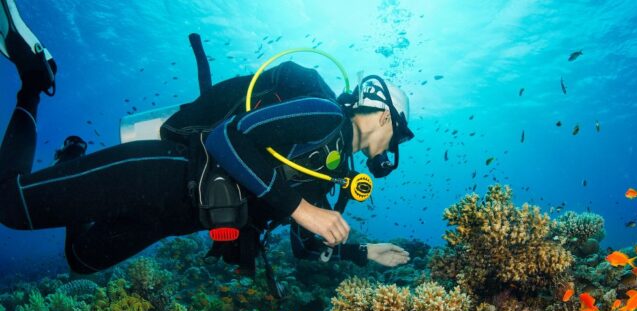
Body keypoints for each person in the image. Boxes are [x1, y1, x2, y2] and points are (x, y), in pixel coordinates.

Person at [0, 0, 411, 288]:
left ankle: (73, 156)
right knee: (9, 206)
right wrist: (305, 210)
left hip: (174, 220)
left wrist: (361, 253)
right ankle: (34, 82)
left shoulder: (331, 174)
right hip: (166, 172)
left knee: (81, 260)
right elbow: (227, 138)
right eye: (399, 134)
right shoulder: (324, 114)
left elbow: (305, 245)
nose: (394, 148)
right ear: (383, 115)